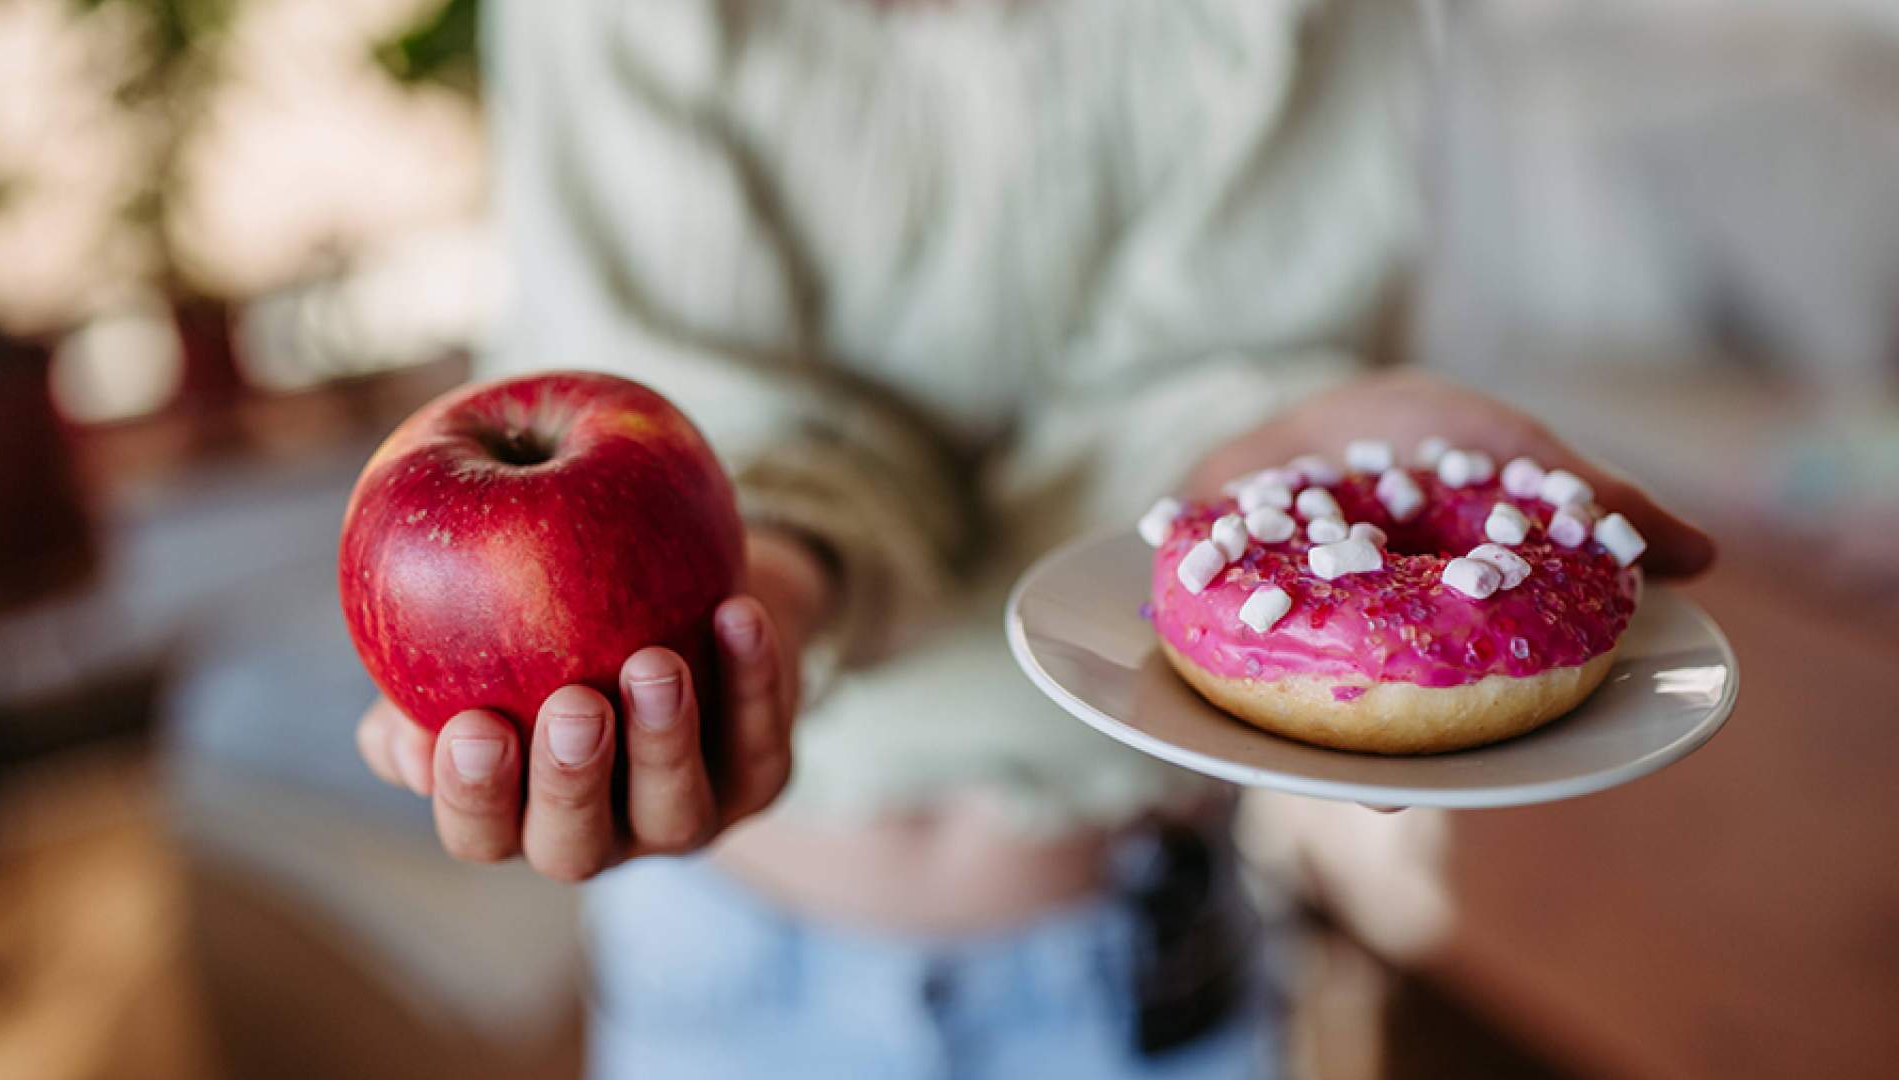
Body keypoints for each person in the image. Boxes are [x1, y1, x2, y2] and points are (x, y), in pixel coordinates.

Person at [354, 2, 1716, 1076]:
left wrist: (1286, 437)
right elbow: (704, 441)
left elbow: (1216, 390)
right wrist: (754, 586)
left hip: (1151, 973)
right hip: (736, 980)